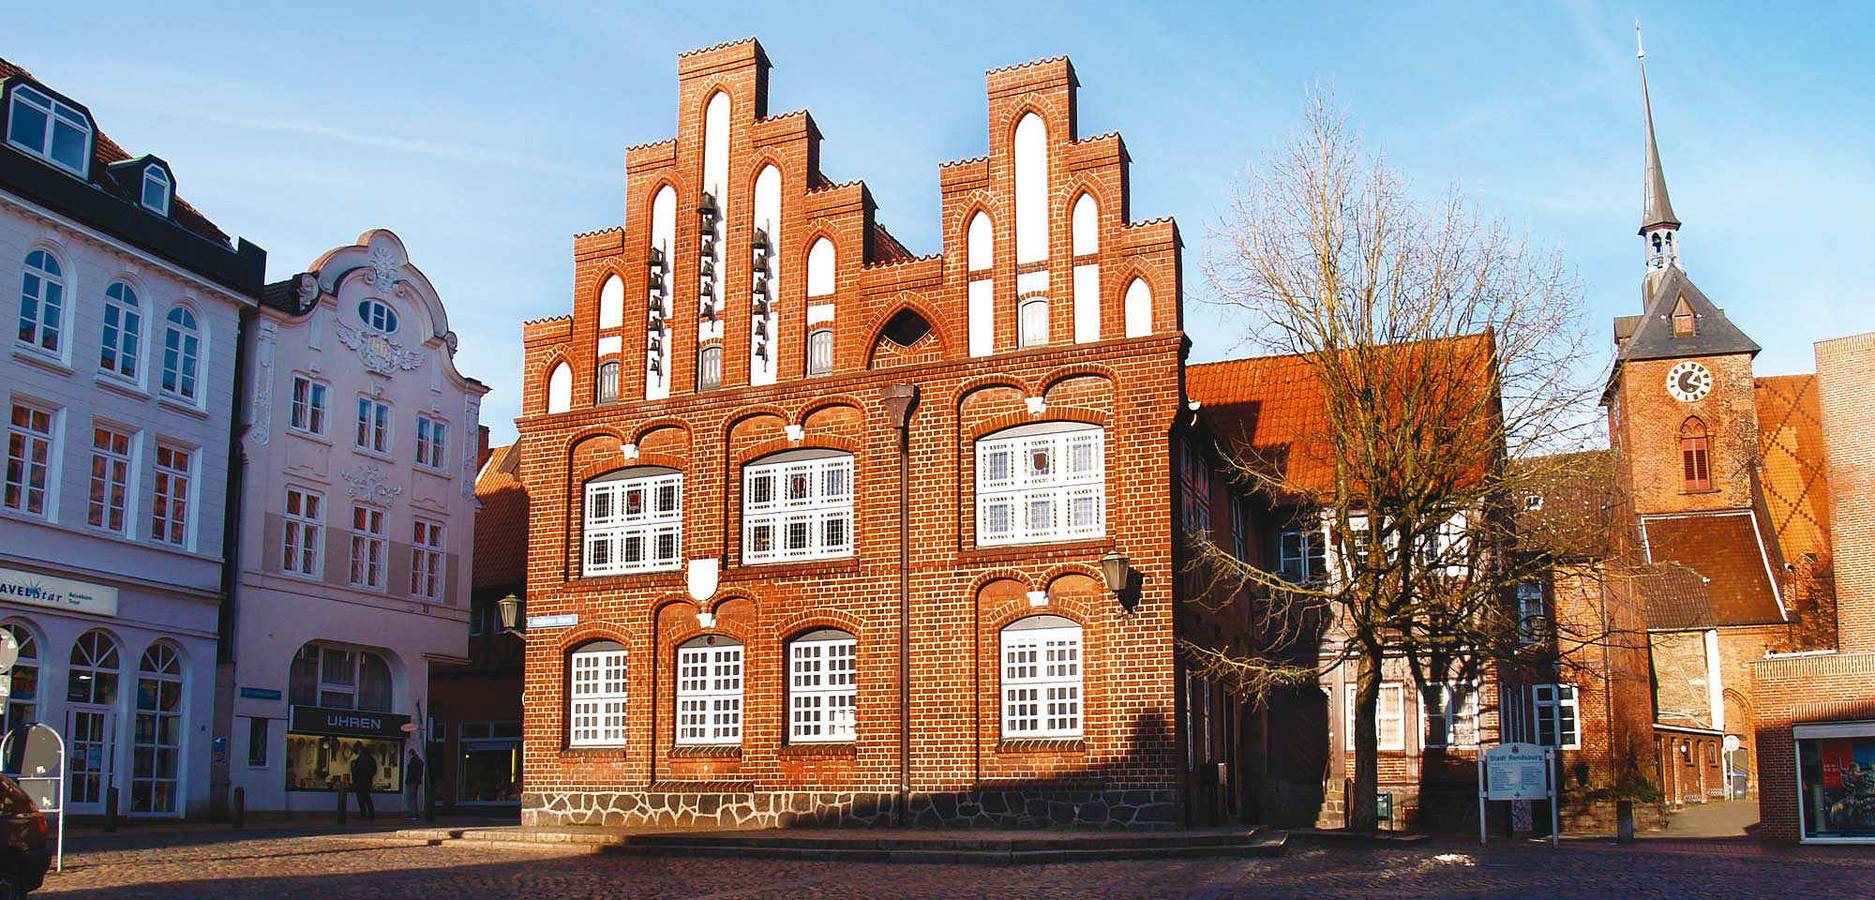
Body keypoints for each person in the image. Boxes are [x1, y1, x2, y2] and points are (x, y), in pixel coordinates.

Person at [350, 746, 378, 820]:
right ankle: (371, 814)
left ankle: (364, 814)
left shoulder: (361, 760)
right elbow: (374, 770)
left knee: (361, 798)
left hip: (360, 781)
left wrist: (354, 774)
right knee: (367, 798)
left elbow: (356, 770)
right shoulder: (371, 759)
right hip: (367, 781)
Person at [404, 749, 425, 819]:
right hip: (416, 782)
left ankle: (413, 814)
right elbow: (419, 773)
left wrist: (408, 780)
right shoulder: (419, 761)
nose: (408, 756)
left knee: (411, 798)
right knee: (413, 798)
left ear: (411, 754)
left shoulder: (413, 762)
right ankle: (414, 813)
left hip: (412, 782)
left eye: (409, 755)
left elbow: (411, 773)